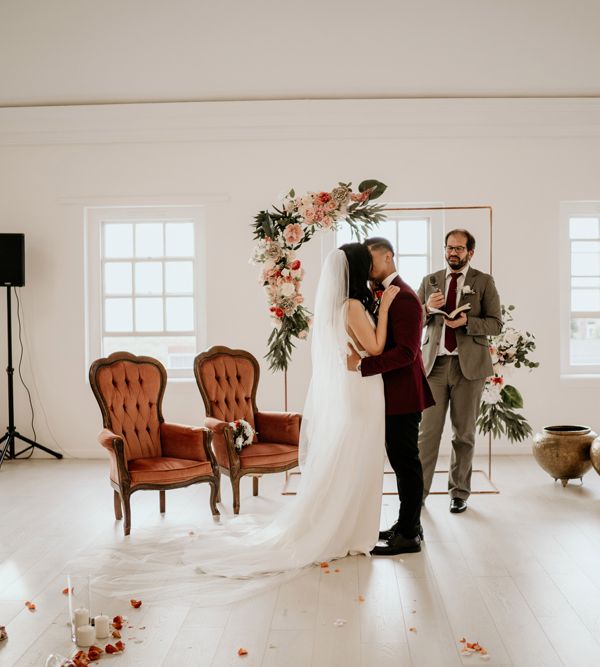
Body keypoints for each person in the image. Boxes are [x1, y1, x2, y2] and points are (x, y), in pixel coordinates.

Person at [77, 244, 400, 603]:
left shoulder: (344, 306)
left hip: (358, 391)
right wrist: (385, 309)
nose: (374, 267)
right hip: (360, 393)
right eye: (368, 263)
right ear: (357, 269)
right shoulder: (352, 306)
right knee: (357, 460)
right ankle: (349, 532)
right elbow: (374, 346)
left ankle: (350, 528)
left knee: (354, 461)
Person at [347, 237, 435, 556]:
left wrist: (364, 364)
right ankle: (407, 523)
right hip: (391, 395)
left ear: (388, 256)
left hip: (404, 396)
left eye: (372, 262)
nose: (368, 269)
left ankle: (409, 534)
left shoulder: (407, 298)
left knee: (406, 463)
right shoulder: (384, 295)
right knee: (401, 463)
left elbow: (408, 353)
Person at [417, 229, 502, 513]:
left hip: (469, 369)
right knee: (427, 435)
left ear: (470, 252)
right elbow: (412, 320)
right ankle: (418, 493)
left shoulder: (484, 281)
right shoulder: (430, 281)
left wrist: (467, 322)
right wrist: (427, 309)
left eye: (459, 249)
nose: (453, 253)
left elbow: (496, 324)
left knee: (463, 435)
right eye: (450, 248)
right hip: (434, 367)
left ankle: (459, 493)